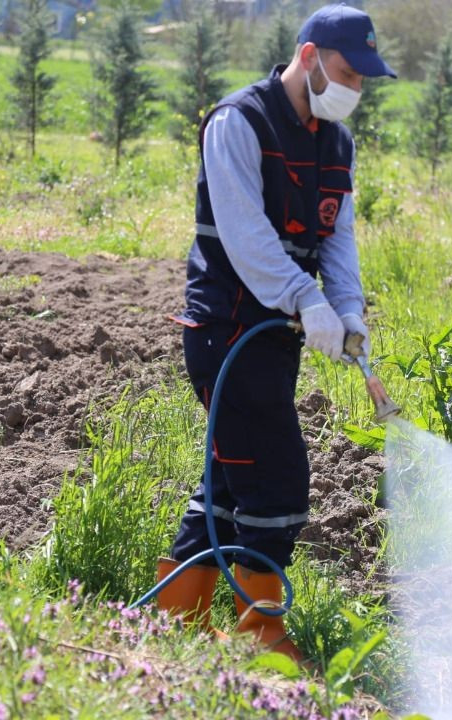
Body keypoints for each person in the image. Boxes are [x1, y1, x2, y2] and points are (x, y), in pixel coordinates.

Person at [156, 4, 396, 661]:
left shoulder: (336, 143)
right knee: (276, 481)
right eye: (349, 72)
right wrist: (304, 299)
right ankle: (259, 636)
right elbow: (245, 234)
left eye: (364, 80)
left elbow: (337, 239)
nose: (355, 89)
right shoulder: (239, 122)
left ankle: (176, 623)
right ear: (311, 56)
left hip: (276, 338)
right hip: (225, 330)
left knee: (227, 485)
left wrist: (346, 311)